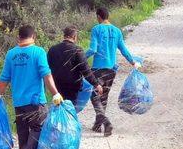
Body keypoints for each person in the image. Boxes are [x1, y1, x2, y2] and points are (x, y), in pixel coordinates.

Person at [0, 25, 63, 149]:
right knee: (39, 127)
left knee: (23, 130)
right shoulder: (38, 52)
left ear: (19, 37)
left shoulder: (11, 54)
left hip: (19, 101)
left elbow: (4, 78)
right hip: (35, 101)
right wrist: (55, 93)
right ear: (34, 37)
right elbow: (46, 75)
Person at [86, 7, 142, 137]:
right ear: (108, 16)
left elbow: (93, 50)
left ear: (98, 16)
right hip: (111, 69)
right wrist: (133, 62)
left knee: (94, 94)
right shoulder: (117, 31)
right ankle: (97, 125)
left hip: (98, 68)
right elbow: (123, 50)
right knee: (103, 96)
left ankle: (105, 122)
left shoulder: (96, 29)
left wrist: (80, 58)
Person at [47, 26, 103, 104]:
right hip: (72, 87)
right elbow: (86, 71)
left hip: (56, 86)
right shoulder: (77, 50)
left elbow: (47, 70)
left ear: (64, 35)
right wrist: (96, 84)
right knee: (70, 108)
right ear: (74, 36)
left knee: (59, 107)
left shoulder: (52, 50)